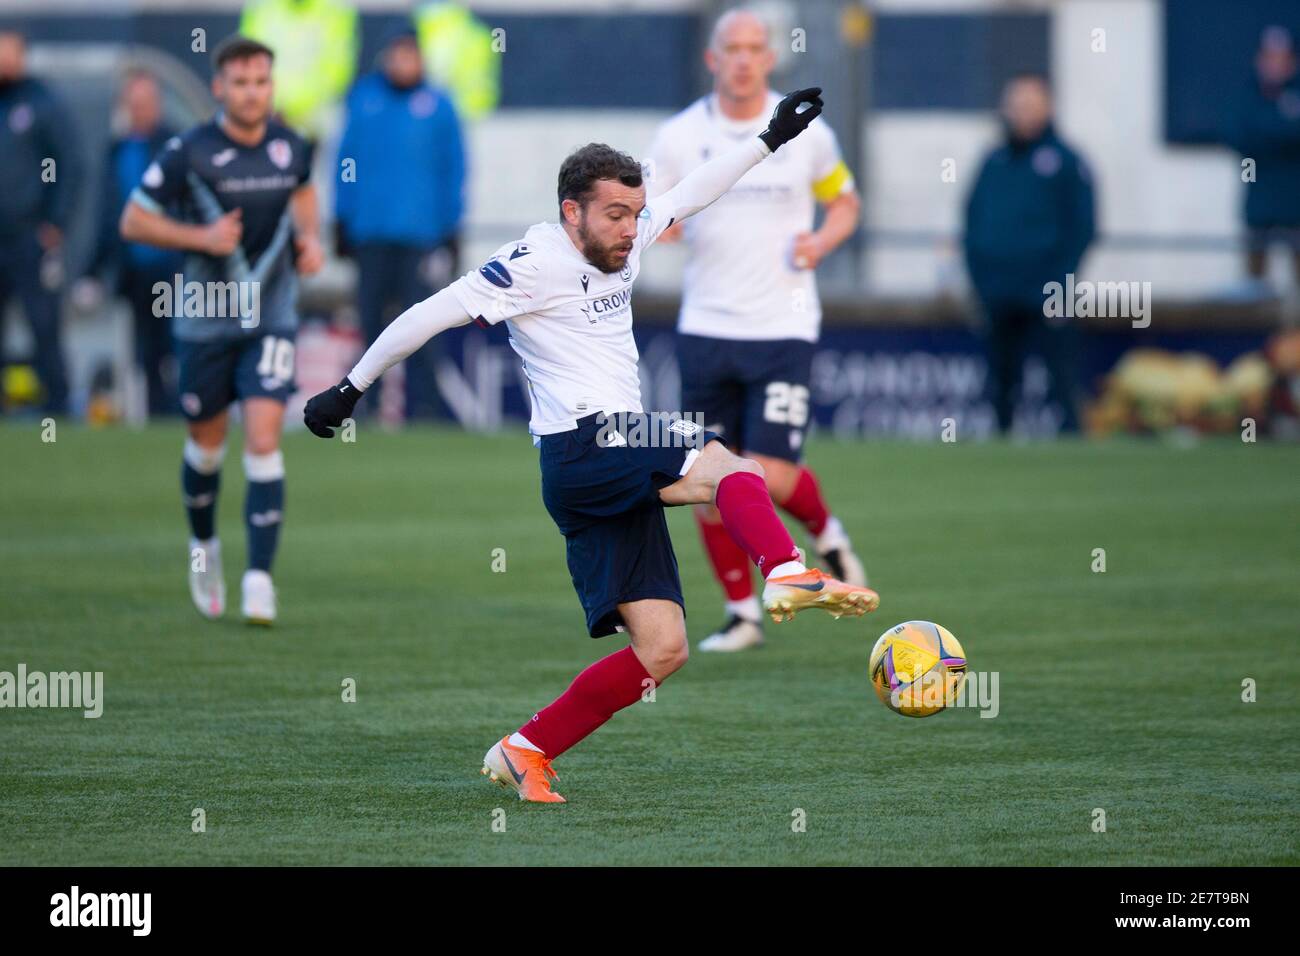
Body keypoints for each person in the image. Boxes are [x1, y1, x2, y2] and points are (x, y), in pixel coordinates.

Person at [303, 88, 879, 803]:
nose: (630, 230)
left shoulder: (627, 235)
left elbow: (694, 192)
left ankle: (525, 750)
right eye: (614, 214)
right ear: (571, 211)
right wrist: (349, 389)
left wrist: (770, 138)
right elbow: (427, 314)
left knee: (662, 648)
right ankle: (787, 569)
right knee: (729, 461)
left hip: (608, 459)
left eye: (636, 215)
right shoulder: (531, 262)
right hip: (585, 442)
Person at [647, 10, 865, 653]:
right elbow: (652, 211)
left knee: (766, 468)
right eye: (730, 49)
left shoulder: (805, 131)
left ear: (770, 59)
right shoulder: (681, 135)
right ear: (713, 60)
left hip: (783, 325)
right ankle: (742, 613)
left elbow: (846, 201)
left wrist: (822, 239)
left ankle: (829, 537)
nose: (742, 60)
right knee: (709, 476)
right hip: (707, 327)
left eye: (753, 49)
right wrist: (664, 225)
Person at [120, 36, 323, 625]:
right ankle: (204, 547)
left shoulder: (290, 145)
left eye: (261, 81)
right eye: (240, 82)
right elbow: (133, 219)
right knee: (206, 449)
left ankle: (259, 579)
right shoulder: (190, 151)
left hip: (272, 317)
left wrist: (308, 241)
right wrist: (200, 239)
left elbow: (304, 196)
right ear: (219, 88)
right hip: (206, 321)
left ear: (271, 86)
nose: (252, 92)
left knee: (263, 439)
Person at [335, 27, 465, 420]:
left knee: (421, 324)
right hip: (371, 233)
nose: (403, 63)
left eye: (410, 56)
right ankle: (366, 407)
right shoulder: (364, 99)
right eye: (397, 55)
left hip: (419, 236)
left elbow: (453, 170)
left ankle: (422, 408)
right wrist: (341, 218)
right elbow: (344, 162)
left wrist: (451, 227)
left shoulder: (439, 106)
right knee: (370, 323)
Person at [964, 73, 1095, 435]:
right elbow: (971, 223)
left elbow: (1083, 227)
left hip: (1048, 291)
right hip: (999, 291)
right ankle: (1001, 447)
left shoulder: (1067, 162)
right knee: (1001, 383)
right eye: (1016, 105)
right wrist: (980, 280)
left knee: (1061, 379)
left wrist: (1061, 279)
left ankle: (1073, 447)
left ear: (1047, 107)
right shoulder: (993, 161)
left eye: (1030, 105)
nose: (1021, 113)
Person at [85, 68, 184, 416]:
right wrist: (94, 269)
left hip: (176, 269)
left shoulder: (176, 146)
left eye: (147, 102)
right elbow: (108, 214)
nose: (141, 110)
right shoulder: (117, 151)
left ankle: (185, 416)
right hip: (135, 270)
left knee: (180, 348)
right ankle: (158, 416)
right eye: (134, 103)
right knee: (147, 351)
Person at [0, 27, 80, 416]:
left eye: (9, 51)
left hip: (28, 237)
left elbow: (69, 163)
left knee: (43, 322)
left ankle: (59, 406)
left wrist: (55, 221)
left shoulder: (41, 102)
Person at [1229, 25, 1300, 287]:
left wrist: (1270, 132)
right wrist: (1283, 128)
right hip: (1258, 206)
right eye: (1270, 57)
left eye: (1282, 59)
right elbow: (1237, 136)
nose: (1275, 65)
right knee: (1253, 286)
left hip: (1295, 207)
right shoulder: (1247, 95)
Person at [239, 0, 358, 142]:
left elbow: (338, 70)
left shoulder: (336, 8)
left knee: (336, 125)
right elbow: (248, 62)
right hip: (269, 108)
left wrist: (294, 109)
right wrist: (274, 105)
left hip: (315, 110)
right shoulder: (260, 6)